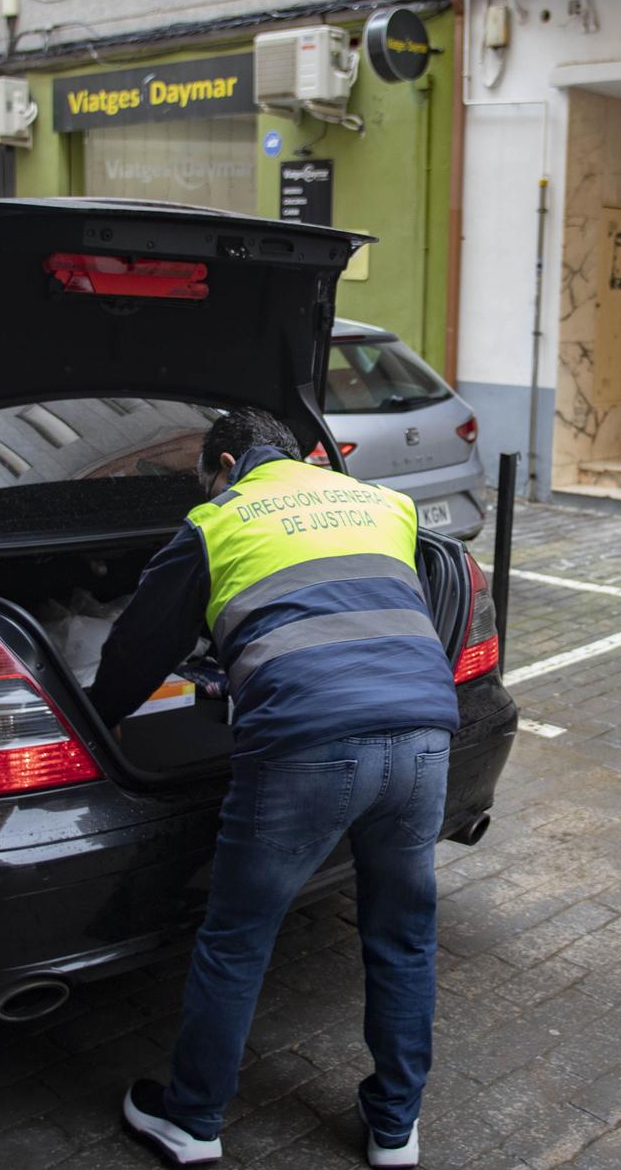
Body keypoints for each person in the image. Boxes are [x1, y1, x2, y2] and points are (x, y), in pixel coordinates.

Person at [91, 408, 459, 1169]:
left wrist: (97, 719)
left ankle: (191, 1121)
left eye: (206, 474)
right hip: (425, 736)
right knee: (403, 935)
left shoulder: (215, 520)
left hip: (307, 747)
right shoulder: (383, 503)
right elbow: (366, 605)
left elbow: (140, 644)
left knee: (238, 935)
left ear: (226, 462)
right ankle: (395, 1129)